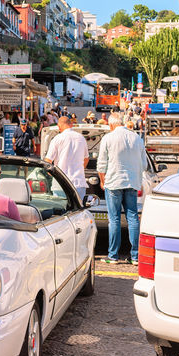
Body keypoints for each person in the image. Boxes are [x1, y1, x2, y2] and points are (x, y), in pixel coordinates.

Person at [97, 113, 146, 265]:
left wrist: (102, 180)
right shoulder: (137, 138)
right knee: (132, 217)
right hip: (132, 183)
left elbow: (101, 164)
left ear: (111, 125)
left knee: (114, 219)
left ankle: (113, 256)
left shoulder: (108, 138)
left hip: (113, 182)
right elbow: (144, 165)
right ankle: (135, 256)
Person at [44, 116, 89, 200]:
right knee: (77, 212)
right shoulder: (81, 138)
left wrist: (52, 174)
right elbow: (86, 158)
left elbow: (48, 162)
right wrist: (80, 169)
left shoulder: (57, 139)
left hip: (61, 183)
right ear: (70, 124)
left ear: (59, 126)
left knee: (61, 211)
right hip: (78, 182)